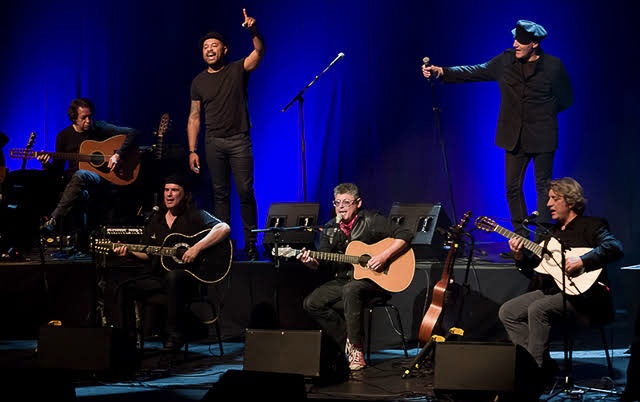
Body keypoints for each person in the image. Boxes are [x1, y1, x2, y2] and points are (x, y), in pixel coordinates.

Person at [422, 19, 573, 256]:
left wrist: (542, 114)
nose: (515, 44)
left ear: (534, 43)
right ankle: (521, 244)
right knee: (512, 188)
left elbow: (566, 98)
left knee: (544, 188)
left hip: (542, 136)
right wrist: (442, 72)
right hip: (513, 137)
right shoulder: (505, 61)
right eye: (514, 39)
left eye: (520, 41)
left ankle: (543, 245)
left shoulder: (553, 66)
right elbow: (476, 71)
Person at [498, 177, 623, 386]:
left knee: (538, 309)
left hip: (587, 297)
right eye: (549, 199)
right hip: (554, 291)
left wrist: (582, 260)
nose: (548, 204)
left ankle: (534, 376)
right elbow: (537, 273)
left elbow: (614, 248)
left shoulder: (592, 225)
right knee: (508, 311)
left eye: (554, 199)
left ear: (571, 201)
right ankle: (539, 364)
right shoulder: (550, 234)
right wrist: (520, 258)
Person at [297, 183, 414, 371]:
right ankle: (349, 344)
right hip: (346, 280)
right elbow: (323, 262)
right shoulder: (329, 228)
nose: (341, 207)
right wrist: (309, 261)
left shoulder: (371, 220)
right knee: (312, 303)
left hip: (376, 281)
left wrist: (383, 257)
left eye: (346, 202)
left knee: (352, 290)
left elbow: (405, 234)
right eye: (337, 203)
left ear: (358, 203)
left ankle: (357, 350)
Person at [113, 173, 231, 350]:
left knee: (174, 277)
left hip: (189, 280)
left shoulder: (196, 215)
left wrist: (196, 248)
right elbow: (148, 253)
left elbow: (224, 228)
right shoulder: (155, 219)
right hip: (158, 277)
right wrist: (129, 252)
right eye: (166, 190)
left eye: (174, 190)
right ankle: (127, 340)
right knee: (124, 287)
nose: (169, 194)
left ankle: (175, 336)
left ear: (184, 194)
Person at [187, 8, 265, 261]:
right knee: (220, 195)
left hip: (239, 140)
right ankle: (224, 245)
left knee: (245, 191)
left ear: (225, 49)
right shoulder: (198, 81)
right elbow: (194, 117)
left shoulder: (236, 69)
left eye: (215, 45)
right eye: (206, 46)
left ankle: (251, 244)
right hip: (213, 143)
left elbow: (259, 53)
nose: (209, 49)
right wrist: (192, 150)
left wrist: (253, 31)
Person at [38, 97, 139, 252]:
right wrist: (45, 163)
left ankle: (53, 219)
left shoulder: (99, 128)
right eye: (83, 118)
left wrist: (117, 155)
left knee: (81, 174)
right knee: (81, 192)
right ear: (74, 118)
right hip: (75, 183)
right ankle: (83, 247)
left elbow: (133, 133)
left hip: (102, 178)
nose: (88, 121)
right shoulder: (63, 136)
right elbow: (57, 170)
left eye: (90, 116)